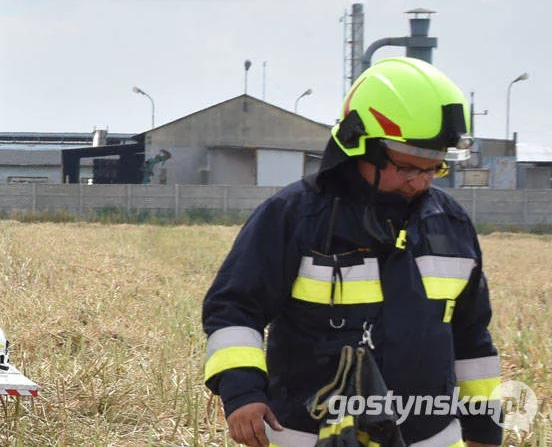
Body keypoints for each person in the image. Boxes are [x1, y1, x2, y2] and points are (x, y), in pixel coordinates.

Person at [202, 58, 502, 447]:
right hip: (307, 433)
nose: (421, 182)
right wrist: (242, 394)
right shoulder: (294, 216)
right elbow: (234, 308)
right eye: (409, 167)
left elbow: (472, 335)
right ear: (362, 146)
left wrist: (483, 429)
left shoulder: (452, 224)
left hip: (429, 436)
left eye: (434, 168)